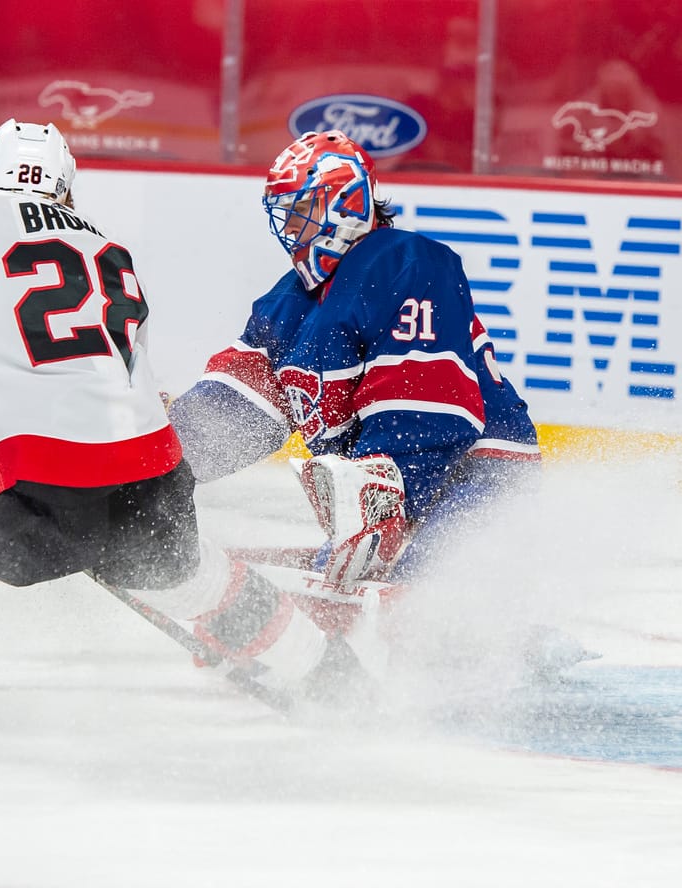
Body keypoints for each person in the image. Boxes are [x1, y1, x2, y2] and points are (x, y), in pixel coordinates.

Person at [0, 119, 362, 711]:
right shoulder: (109, 251)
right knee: (196, 576)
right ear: (67, 189)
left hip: (19, 515)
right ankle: (334, 674)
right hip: (152, 490)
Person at [167, 130, 542, 608]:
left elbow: (425, 407)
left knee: (431, 612)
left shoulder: (407, 263)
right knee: (350, 596)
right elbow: (235, 406)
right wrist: (158, 461)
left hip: (479, 473)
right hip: (382, 496)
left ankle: (509, 639)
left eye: (300, 212)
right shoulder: (290, 303)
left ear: (345, 204)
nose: (290, 228)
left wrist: (388, 509)